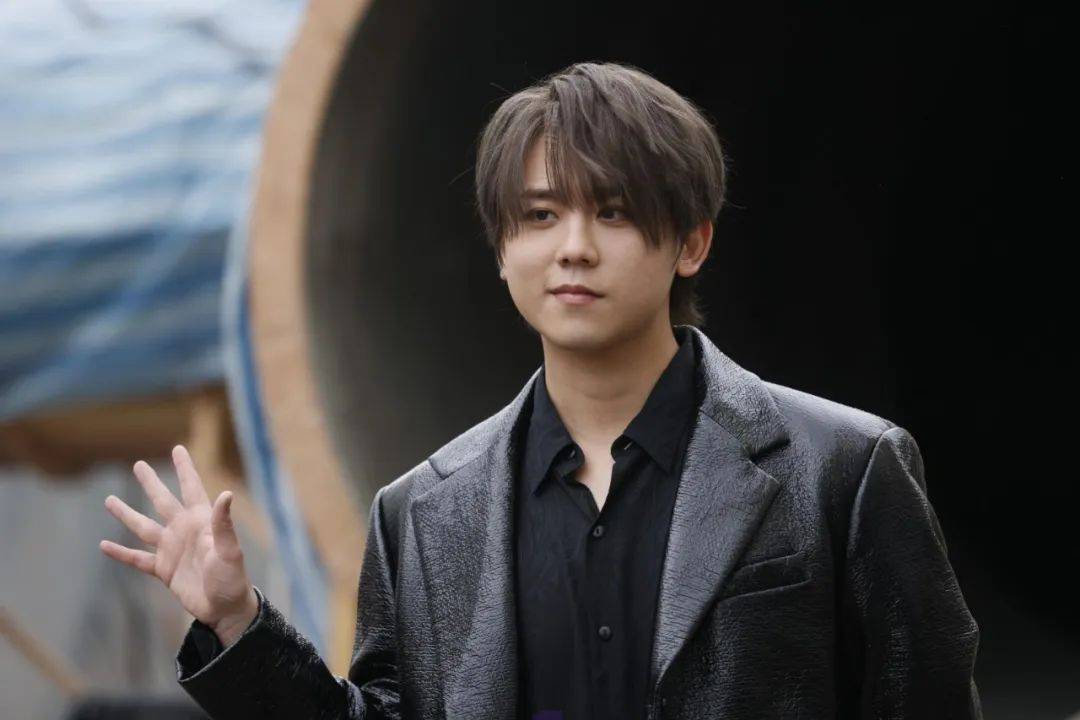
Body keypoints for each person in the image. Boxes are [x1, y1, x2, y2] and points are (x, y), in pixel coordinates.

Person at [100, 61, 982, 719]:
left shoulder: (843, 469)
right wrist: (237, 622)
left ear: (692, 242)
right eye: (540, 215)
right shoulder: (422, 514)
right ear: (502, 249)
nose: (573, 248)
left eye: (613, 211)